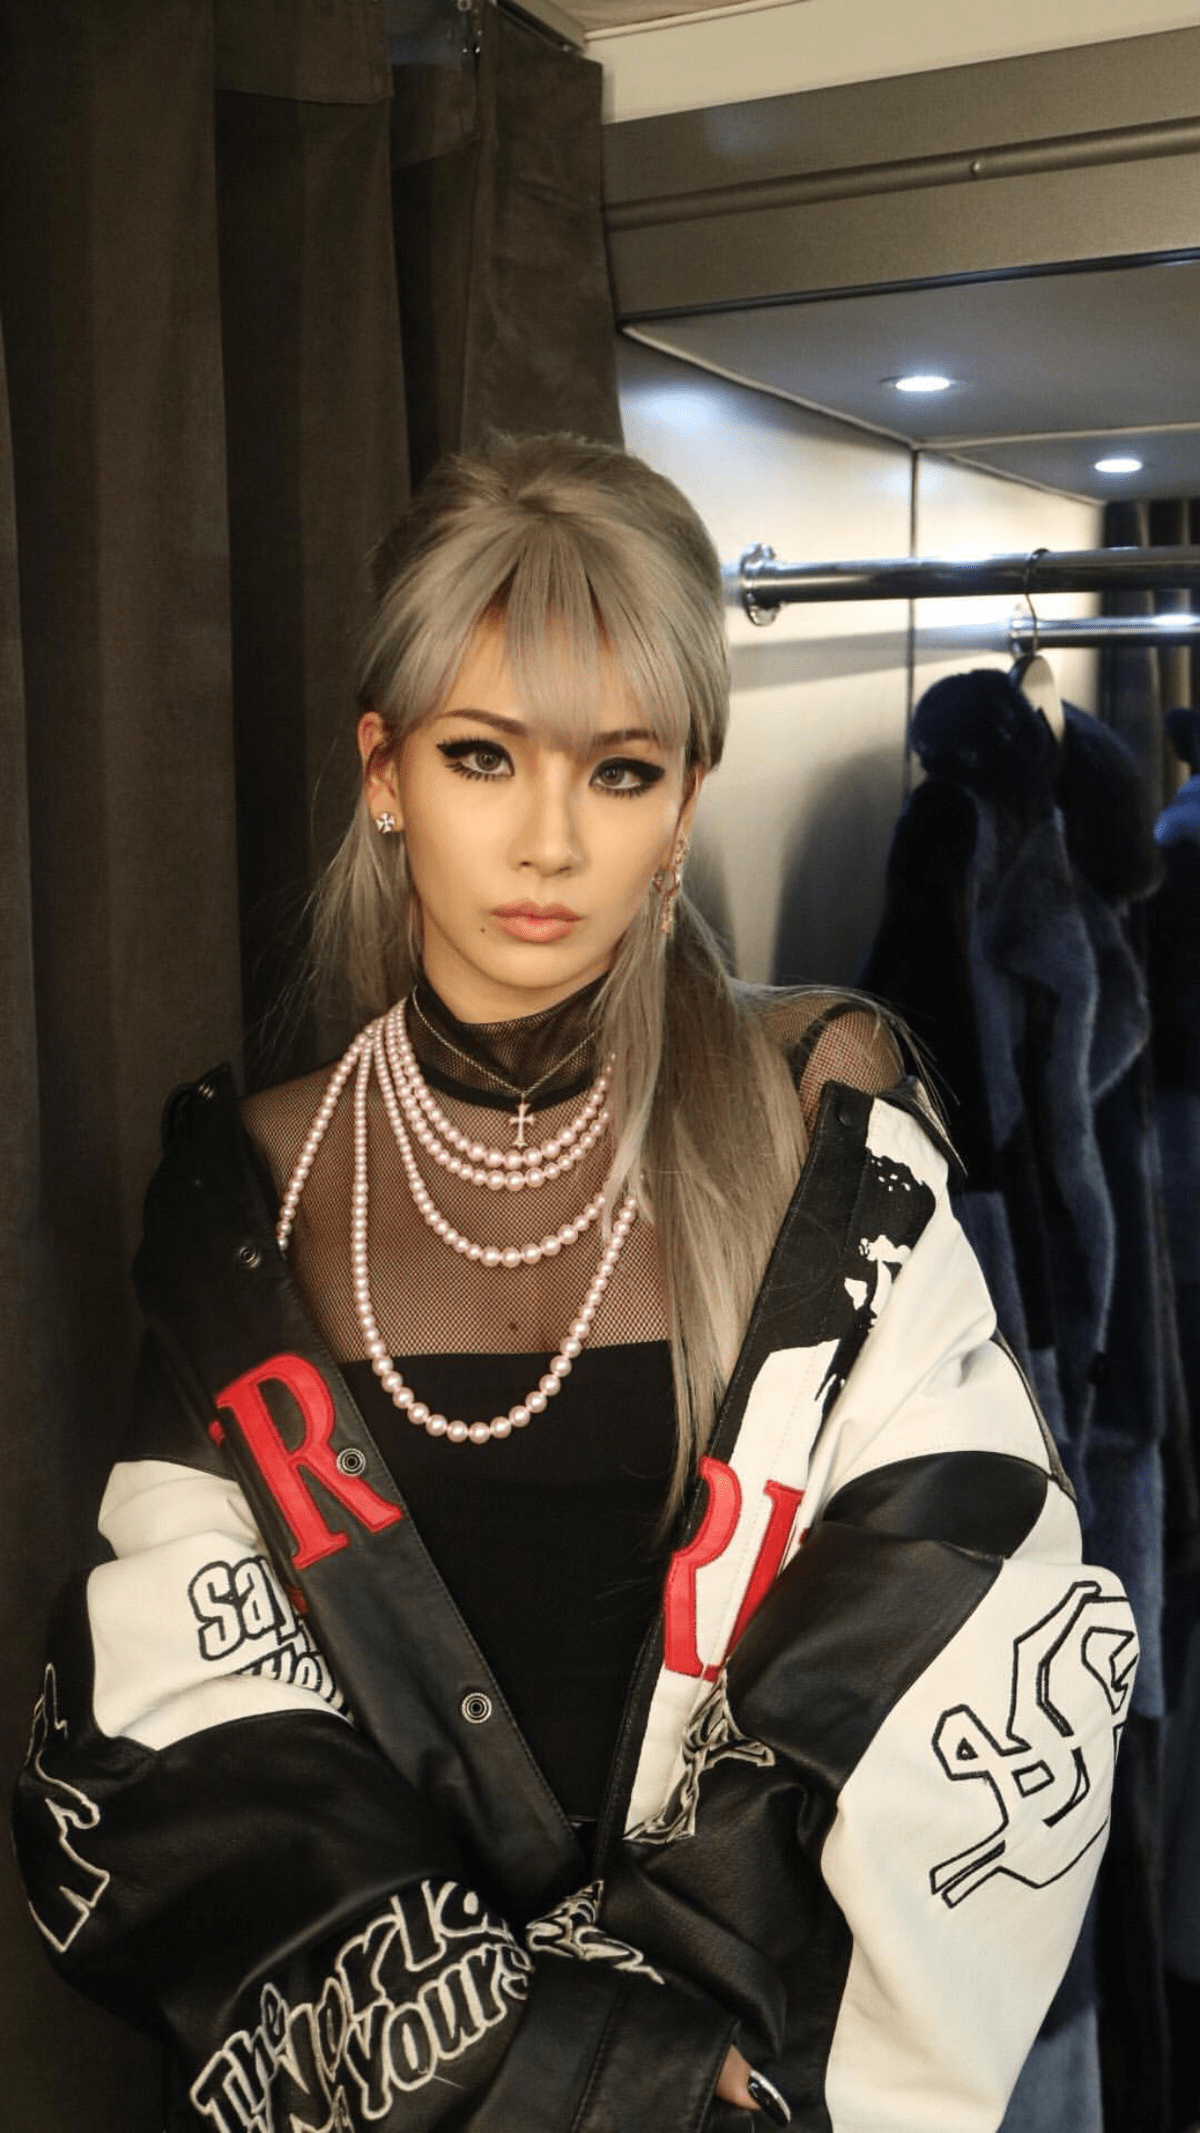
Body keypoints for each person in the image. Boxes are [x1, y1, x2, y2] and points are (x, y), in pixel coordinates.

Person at [14, 434, 1136, 2132]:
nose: (547, 842)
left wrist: (690, 2072)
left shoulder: (821, 1134)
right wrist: (565, 2069)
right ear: (385, 770)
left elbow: (966, 1599)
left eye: (618, 772)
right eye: (483, 756)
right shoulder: (247, 1198)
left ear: (685, 796)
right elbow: (179, 1738)